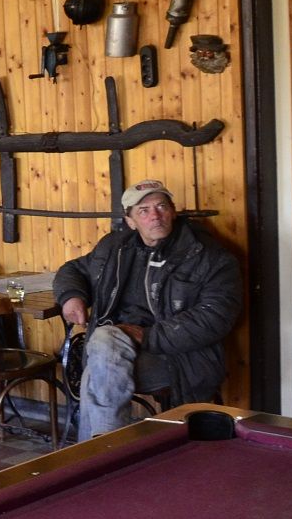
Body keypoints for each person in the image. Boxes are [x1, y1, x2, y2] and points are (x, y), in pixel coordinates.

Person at [54, 180, 241, 442]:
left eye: (161, 206)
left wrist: (147, 335)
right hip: (111, 350)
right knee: (103, 352)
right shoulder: (115, 247)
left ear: (173, 212)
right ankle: (104, 447)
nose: (155, 215)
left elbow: (214, 318)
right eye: (143, 210)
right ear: (130, 221)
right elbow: (72, 270)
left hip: (178, 358)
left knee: (98, 361)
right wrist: (71, 297)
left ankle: (101, 448)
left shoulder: (207, 256)